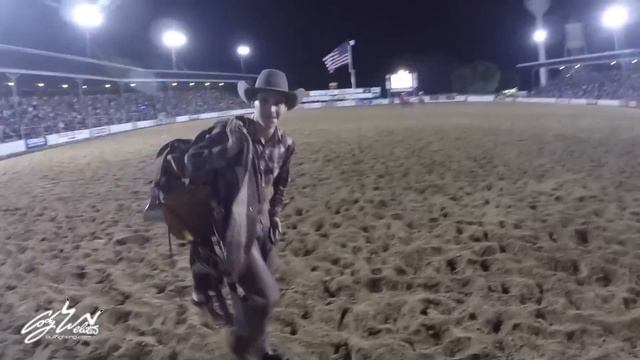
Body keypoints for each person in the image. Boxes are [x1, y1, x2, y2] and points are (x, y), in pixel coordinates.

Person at [144, 69, 303, 360]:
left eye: (278, 102)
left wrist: (276, 212)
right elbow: (193, 162)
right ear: (253, 102)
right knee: (265, 297)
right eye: (265, 100)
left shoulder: (286, 144)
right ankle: (239, 348)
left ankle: (262, 348)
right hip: (233, 227)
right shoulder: (231, 131)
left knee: (254, 298)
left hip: (264, 226)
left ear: (286, 106)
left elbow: (281, 182)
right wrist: (228, 150)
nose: (271, 108)